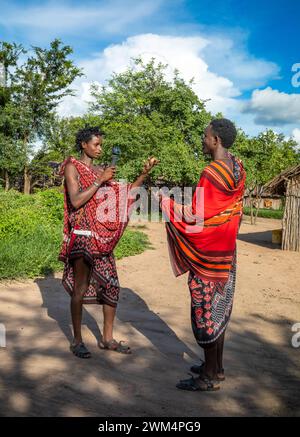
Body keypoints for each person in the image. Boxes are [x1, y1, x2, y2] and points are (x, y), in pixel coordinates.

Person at [159, 118, 246, 391]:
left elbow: (197, 216)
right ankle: (216, 368)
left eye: (205, 136)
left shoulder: (211, 173)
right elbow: (228, 211)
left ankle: (207, 377)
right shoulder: (238, 168)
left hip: (207, 254)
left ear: (216, 140)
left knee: (206, 310)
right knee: (219, 308)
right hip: (227, 251)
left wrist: (166, 203)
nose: (203, 139)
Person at [58, 126, 158, 358]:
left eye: (101, 144)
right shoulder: (72, 167)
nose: (100, 148)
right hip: (83, 235)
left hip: (102, 239)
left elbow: (124, 194)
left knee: (112, 285)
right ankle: (77, 340)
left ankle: (107, 338)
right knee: (80, 288)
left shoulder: (101, 171)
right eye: (96, 144)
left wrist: (144, 174)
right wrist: (99, 181)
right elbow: (75, 201)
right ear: (84, 144)